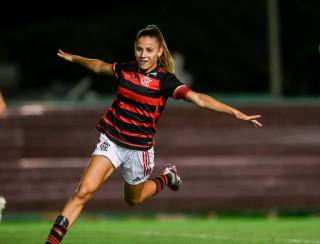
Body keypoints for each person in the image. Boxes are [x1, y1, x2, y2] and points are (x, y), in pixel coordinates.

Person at [45, 24, 262, 244]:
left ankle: (167, 177)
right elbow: (99, 66)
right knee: (83, 191)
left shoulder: (165, 80)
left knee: (133, 200)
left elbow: (198, 98)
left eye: (149, 50)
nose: (143, 55)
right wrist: (76, 59)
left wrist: (234, 112)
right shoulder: (125, 68)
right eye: (139, 49)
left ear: (159, 52)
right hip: (112, 140)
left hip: (139, 150)